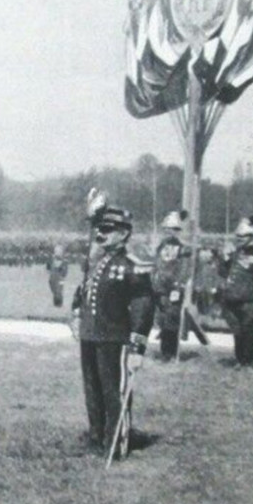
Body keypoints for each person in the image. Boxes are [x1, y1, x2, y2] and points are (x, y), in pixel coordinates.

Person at [69, 196, 155, 458]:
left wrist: (138, 346)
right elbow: (83, 291)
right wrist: (75, 315)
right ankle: (97, 435)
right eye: (99, 228)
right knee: (92, 389)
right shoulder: (98, 262)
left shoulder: (132, 266)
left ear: (123, 233)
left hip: (114, 338)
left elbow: (143, 307)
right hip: (91, 334)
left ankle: (116, 442)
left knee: (112, 391)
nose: (99, 233)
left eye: (106, 230)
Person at [215, 216, 253, 367]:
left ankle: (247, 360)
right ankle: (239, 359)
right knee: (237, 331)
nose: (240, 239)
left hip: (249, 298)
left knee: (248, 330)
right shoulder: (233, 254)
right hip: (232, 297)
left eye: (243, 236)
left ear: (251, 237)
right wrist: (224, 258)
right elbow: (222, 273)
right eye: (238, 236)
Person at [150, 210, 203, 359]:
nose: (169, 232)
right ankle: (164, 350)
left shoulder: (183, 248)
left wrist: (179, 285)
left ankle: (169, 352)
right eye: (167, 229)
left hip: (173, 287)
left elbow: (185, 268)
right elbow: (156, 264)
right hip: (160, 287)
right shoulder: (161, 246)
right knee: (161, 319)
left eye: (173, 229)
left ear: (178, 230)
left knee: (171, 319)